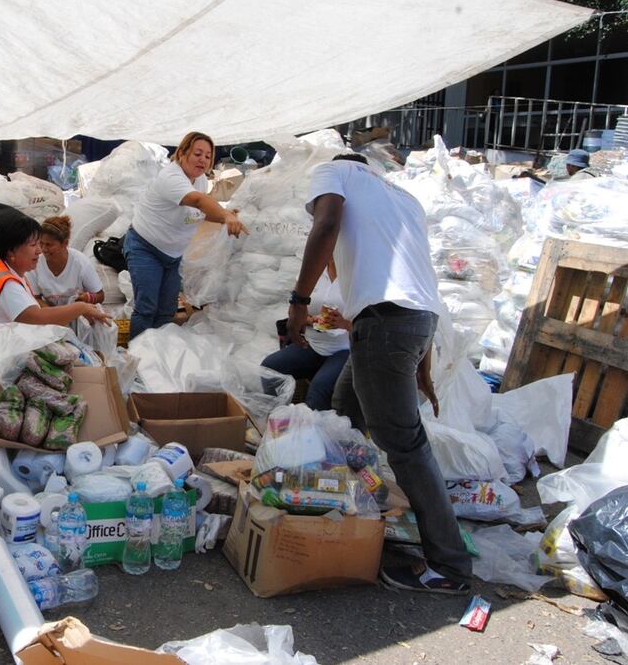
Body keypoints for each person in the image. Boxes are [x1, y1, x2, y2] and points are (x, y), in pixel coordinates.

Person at [287, 153, 472, 594]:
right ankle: (347, 510)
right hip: (410, 322)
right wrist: (421, 362)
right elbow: (417, 284)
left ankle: (450, 567)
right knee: (346, 410)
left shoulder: (334, 172)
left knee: (405, 444)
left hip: (385, 325)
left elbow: (327, 226)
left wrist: (298, 300)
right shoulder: (402, 198)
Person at [124, 131, 248, 340]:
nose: (203, 160)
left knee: (166, 310)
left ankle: (158, 353)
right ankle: (136, 359)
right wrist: (224, 215)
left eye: (208, 156)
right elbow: (199, 202)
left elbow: (200, 212)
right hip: (145, 248)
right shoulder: (171, 177)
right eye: (197, 153)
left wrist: (225, 216)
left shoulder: (199, 181)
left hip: (172, 256)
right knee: (147, 308)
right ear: (182, 153)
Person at [0, 204, 111, 329]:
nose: (40, 250)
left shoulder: (13, 274)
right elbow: (37, 318)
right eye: (33, 245)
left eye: (42, 244)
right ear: (12, 251)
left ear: (65, 244)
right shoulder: (8, 284)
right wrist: (80, 308)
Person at [261, 260, 350, 411]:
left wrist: (344, 323)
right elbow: (294, 310)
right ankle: (279, 420)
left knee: (319, 388)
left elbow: (370, 322)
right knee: (270, 368)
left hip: (345, 349)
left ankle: (312, 431)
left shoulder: (354, 274)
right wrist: (309, 319)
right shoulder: (313, 272)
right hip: (313, 344)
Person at [26, 215, 105, 307]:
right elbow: (36, 298)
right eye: (41, 243)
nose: (43, 249)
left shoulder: (81, 263)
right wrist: (54, 315)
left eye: (49, 245)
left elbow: (100, 296)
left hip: (76, 313)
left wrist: (88, 298)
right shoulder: (35, 263)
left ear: (65, 243)